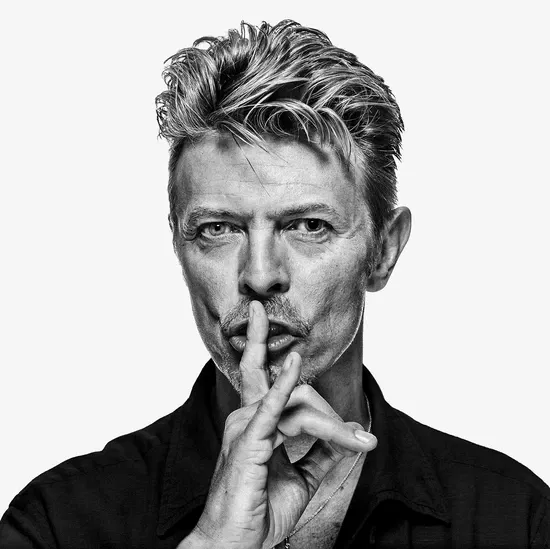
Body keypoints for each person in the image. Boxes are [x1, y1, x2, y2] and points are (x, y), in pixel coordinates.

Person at [1, 19, 549, 549]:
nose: (260, 275)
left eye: (308, 226)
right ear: (179, 247)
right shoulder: (58, 524)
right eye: (218, 229)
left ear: (383, 250)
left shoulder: (516, 520)